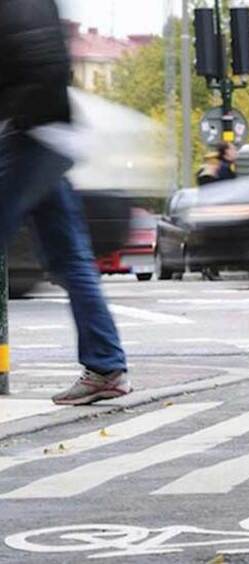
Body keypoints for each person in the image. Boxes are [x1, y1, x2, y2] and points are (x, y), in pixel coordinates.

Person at [0, 0, 130, 405]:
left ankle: (106, 363)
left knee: (69, 257)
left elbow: (30, 63)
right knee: (69, 257)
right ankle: (106, 364)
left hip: (29, 134)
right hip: (50, 131)